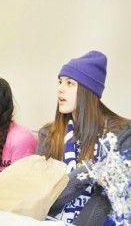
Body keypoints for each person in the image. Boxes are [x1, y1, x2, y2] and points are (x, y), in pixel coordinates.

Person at [37, 51, 131, 226]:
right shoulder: (48, 134)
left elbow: (116, 202)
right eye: (60, 81)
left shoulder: (121, 135)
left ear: (88, 91)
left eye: (70, 83)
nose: (60, 88)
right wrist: (89, 172)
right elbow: (42, 199)